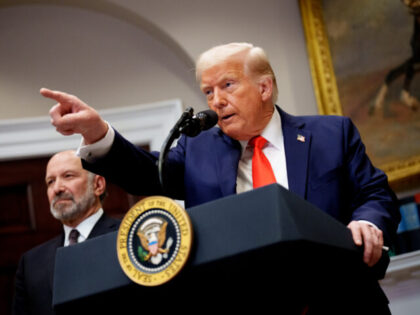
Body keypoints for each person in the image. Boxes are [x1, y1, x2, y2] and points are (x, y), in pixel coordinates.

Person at [40, 43, 400, 313]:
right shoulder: (199, 149)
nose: (216, 101)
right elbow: (150, 173)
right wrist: (98, 132)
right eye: (208, 92)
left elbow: (375, 194)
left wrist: (367, 222)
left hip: (343, 303)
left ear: (265, 88)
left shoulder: (330, 134)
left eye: (228, 85)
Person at [13, 150, 120, 315]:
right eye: (50, 181)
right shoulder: (31, 263)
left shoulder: (128, 239)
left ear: (98, 185)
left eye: (68, 176)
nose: (57, 188)